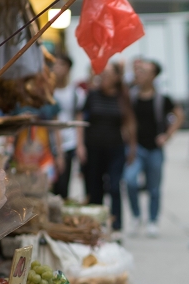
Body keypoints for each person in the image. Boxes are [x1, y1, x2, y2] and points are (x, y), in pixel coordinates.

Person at [124, 58, 183, 236]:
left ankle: (152, 220)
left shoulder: (162, 99)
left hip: (154, 149)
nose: (139, 74)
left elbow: (179, 115)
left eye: (144, 71)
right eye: (138, 71)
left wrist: (167, 135)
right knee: (130, 181)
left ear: (153, 76)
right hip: (136, 148)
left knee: (154, 187)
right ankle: (136, 216)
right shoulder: (131, 96)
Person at [80, 63, 135, 233]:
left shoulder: (122, 97)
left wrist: (132, 146)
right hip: (94, 147)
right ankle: (96, 225)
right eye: (103, 74)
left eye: (109, 74)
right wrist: (80, 145)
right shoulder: (92, 94)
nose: (104, 77)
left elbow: (129, 122)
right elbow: (81, 119)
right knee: (94, 187)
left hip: (115, 148)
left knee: (114, 185)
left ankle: (117, 225)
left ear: (117, 78)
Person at [51, 54, 84, 200]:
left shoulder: (76, 93)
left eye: (61, 65)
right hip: (49, 142)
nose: (57, 68)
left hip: (69, 142)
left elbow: (79, 118)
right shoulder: (47, 92)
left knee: (64, 183)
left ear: (69, 69)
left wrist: (80, 144)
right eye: (54, 65)